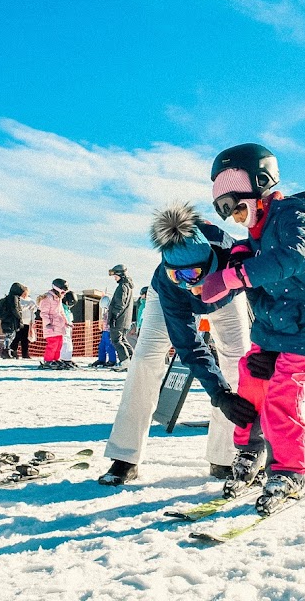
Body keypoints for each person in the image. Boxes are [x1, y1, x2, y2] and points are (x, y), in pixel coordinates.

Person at [201, 142, 305, 515]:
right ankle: (251, 451)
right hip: (275, 323)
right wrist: (241, 260)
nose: (233, 217)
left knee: (281, 390)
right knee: (250, 378)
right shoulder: (257, 234)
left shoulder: (297, 215)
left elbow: (297, 257)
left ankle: (290, 470)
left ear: (260, 184)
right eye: (224, 210)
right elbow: (265, 285)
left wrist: (236, 276)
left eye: (236, 205)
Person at [100, 203, 253, 486]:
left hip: (226, 295)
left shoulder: (232, 258)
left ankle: (223, 455)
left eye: (190, 275)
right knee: (145, 359)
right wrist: (219, 394)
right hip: (167, 301)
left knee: (237, 359)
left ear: (210, 265)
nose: (184, 282)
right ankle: (125, 456)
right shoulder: (172, 286)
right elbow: (189, 344)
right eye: (175, 274)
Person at [37, 279, 71, 369]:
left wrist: (66, 322)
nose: (64, 294)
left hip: (59, 325)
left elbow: (61, 312)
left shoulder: (58, 298)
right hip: (51, 326)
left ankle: (55, 359)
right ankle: (48, 360)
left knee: (59, 343)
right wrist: (48, 323)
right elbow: (44, 313)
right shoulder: (47, 298)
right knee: (53, 343)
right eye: (63, 291)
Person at [107, 264, 134, 372]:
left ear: (120, 274)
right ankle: (132, 359)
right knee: (122, 339)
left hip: (119, 319)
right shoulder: (127, 286)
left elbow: (120, 304)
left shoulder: (122, 287)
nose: (114, 278)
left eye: (115, 275)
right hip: (124, 319)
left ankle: (125, 362)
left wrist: (114, 316)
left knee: (116, 340)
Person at [0, 283, 24, 357]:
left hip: (5, 320)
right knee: (10, 336)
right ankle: (6, 351)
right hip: (11, 320)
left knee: (9, 335)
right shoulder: (14, 298)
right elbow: (15, 308)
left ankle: (6, 350)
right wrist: (19, 317)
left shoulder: (7, 298)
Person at [92, 295, 118, 368]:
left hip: (109, 331)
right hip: (105, 331)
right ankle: (101, 359)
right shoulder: (106, 311)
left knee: (109, 346)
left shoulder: (112, 311)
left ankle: (112, 360)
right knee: (102, 346)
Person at [12, 287, 36, 359]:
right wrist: (28, 306)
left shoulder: (30, 300)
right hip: (20, 321)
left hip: (27, 322)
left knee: (25, 339)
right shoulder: (19, 300)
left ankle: (25, 353)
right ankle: (13, 350)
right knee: (17, 337)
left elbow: (34, 310)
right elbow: (19, 308)